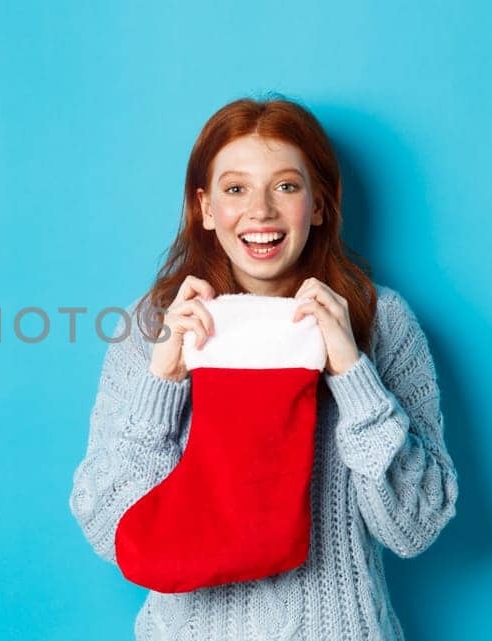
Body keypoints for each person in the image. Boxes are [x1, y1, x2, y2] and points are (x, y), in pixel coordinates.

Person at [68, 95, 459, 641]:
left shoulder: (380, 320)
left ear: (319, 204)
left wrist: (352, 373)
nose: (261, 211)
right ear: (205, 208)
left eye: (286, 186)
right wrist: (161, 384)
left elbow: (414, 526)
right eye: (235, 189)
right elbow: (109, 529)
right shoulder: (156, 324)